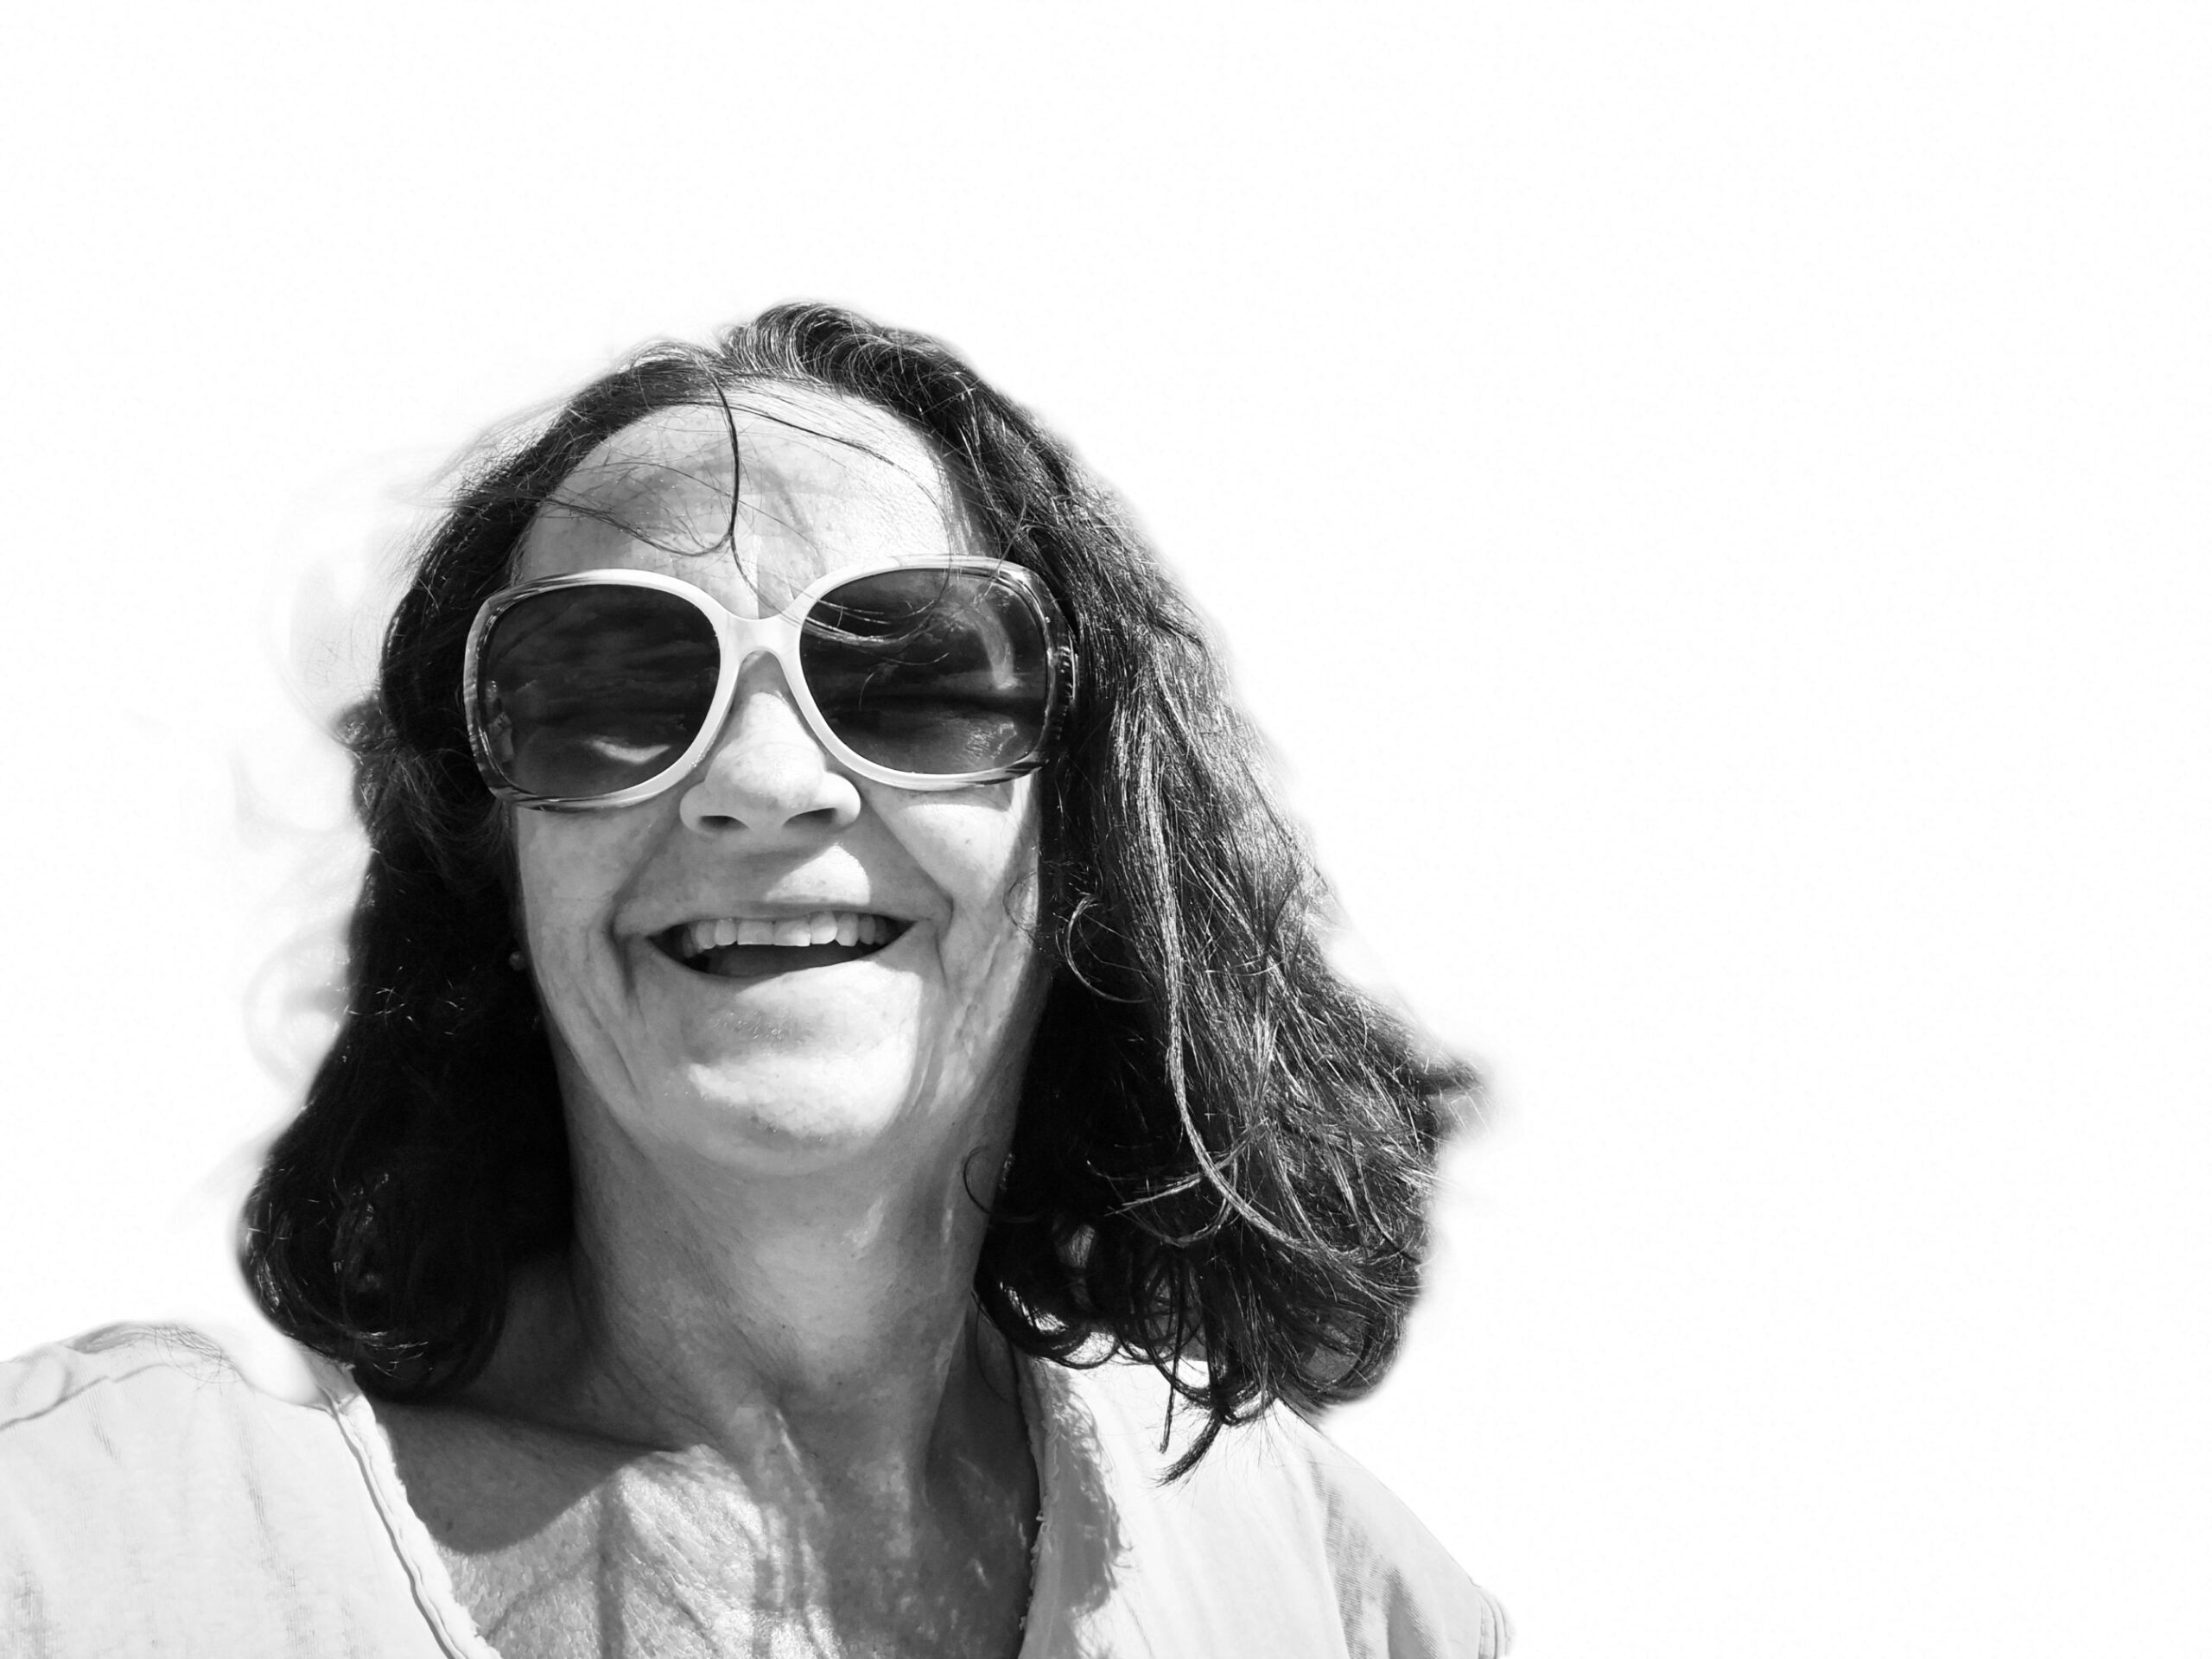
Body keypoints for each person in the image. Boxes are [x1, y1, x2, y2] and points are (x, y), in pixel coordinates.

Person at [0, 304, 1510, 1656]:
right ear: (500, 872)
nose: (763, 782)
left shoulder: (1341, 1606)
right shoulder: (87, 1551)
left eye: (915, 677)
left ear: (1089, 836)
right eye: (607, 689)